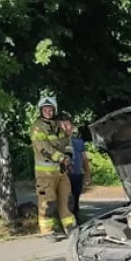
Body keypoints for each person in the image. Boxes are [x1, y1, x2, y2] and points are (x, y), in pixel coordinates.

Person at [30, 97, 76, 240]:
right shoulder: (37, 127)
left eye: (50, 110)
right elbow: (44, 148)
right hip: (45, 174)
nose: (48, 112)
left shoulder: (58, 125)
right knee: (48, 203)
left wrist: (68, 156)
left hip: (61, 172)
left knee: (67, 201)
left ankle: (70, 228)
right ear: (41, 111)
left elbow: (67, 142)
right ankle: (47, 231)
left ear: (54, 110)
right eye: (45, 110)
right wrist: (61, 158)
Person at [58, 112, 91, 223]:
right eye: (62, 126)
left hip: (77, 175)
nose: (65, 128)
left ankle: (76, 217)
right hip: (62, 175)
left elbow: (84, 159)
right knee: (64, 199)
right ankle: (63, 220)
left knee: (75, 198)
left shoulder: (78, 142)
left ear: (72, 127)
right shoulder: (55, 142)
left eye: (67, 125)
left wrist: (87, 175)